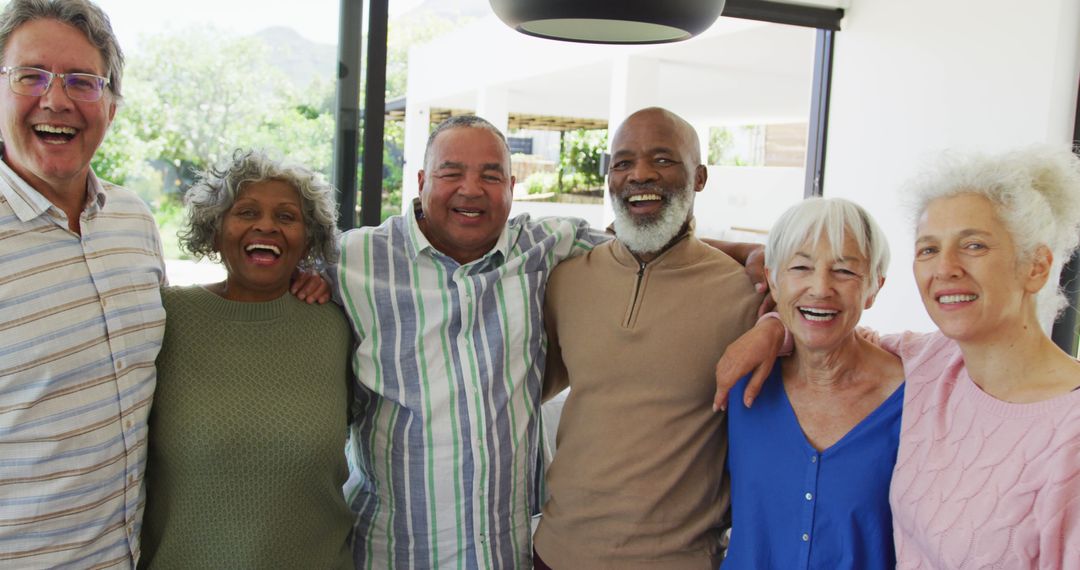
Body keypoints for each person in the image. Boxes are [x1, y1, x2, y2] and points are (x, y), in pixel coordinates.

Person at [335, 114, 766, 568]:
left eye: (491, 175)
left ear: (512, 186)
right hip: (400, 552)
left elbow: (653, 242)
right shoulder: (352, 261)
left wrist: (753, 257)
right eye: (451, 172)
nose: (471, 189)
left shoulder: (544, 248)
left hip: (512, 554)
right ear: (421, 181)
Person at [713, 146, 1080, 569]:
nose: (945, 269)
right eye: (928, 250)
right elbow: (830, 333)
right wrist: (772, 326)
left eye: (974, 245)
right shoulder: (928, 363)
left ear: (1036, 267)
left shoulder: (921, 386)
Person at [532, 107, 763, 569]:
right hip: (556, 552)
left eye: (662, 159)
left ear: (699, 177)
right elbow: (526, 389)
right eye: (622, 162)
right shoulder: (565, 280)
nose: (640, 174)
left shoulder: (747, 295)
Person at [0, 1, 163, 566]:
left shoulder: (134, 220)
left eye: (82, 81)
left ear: (111, 107)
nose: (56, 99)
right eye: (31, 76)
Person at [139, 149, 354, 568]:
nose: (266, 226)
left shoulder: (337, 325)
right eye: (246, 211)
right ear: (215, 230)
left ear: (308, 240)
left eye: (287, 217)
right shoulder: (164, 319)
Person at [723, 197, 903, 569]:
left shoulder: (914, 400)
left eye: (845, 272)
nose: (820, 288)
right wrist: (771, 323)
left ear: (874, 288)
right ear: (773, 279)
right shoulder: (742, 383)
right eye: (801, 267)